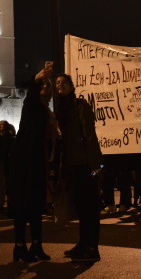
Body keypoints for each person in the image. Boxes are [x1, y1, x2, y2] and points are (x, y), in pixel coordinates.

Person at [9, 63, 58, 262]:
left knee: (37, 206)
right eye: (43, 85)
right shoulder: (32, 104)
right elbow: (31, 93)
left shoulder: (48, 111)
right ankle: (19, 246)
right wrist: (38, 76)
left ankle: (36, 244)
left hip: (38, 161)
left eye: (48, 85)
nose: (45, 87)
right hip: (24, 161)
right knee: (22, 205)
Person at [55, 70, 103, 262]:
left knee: (89, 207)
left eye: (63, 82)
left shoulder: (80, 105)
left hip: (83, 163)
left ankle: (92, 247)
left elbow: (89, 135)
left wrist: (95, 164)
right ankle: (83, 244)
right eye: (57, 83)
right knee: (80, 208)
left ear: (72, 86)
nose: (59, 85)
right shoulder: (61, 108)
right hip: (70, 164)